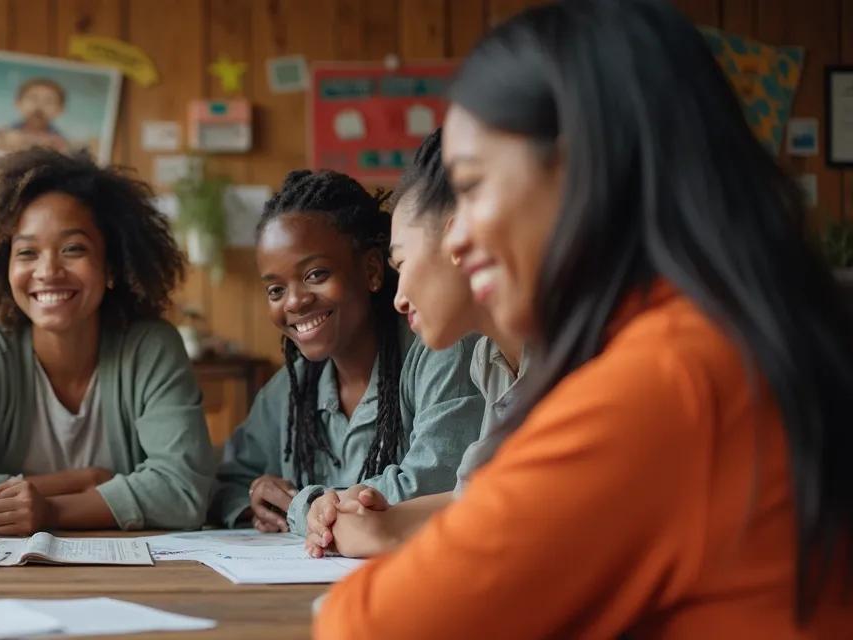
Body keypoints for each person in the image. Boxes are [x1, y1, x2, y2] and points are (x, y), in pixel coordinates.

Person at [317, 1, 853, 636]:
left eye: (473, 186)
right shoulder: (718, 336)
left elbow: (372, 623)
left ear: (583, 170)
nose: (456, 238)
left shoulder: (663, 381)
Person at [0, 147, 214, 535]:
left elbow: (183, 491)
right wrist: (76, 482)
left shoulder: (151, 348)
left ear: (111, 267)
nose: (48, 270)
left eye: (73, 249)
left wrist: (52, 513)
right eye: (27, 252)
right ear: (4, 268)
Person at [210, 169, 484, 536]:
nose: (294, 301)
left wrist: (301, 506)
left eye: (315, 275)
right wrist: (254, 499)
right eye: (275, 290)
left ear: (371, 270)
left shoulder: (438, 350)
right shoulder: (292, 387)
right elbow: (221, 483)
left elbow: (430, 486)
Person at [303, 130, 531, 558]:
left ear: (457, 241)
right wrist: (368, 516)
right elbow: (470, 498)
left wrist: (385, 532)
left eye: (402, 263)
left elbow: (519, 519)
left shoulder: (568, 354)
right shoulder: (491, 358)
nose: (398, 297)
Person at [0, 77, 72, 154]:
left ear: (60, 109)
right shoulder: (0, 135)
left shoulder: (61, 143)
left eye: (49, 101)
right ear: (18, 103)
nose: (39, 106)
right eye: (33, 98)